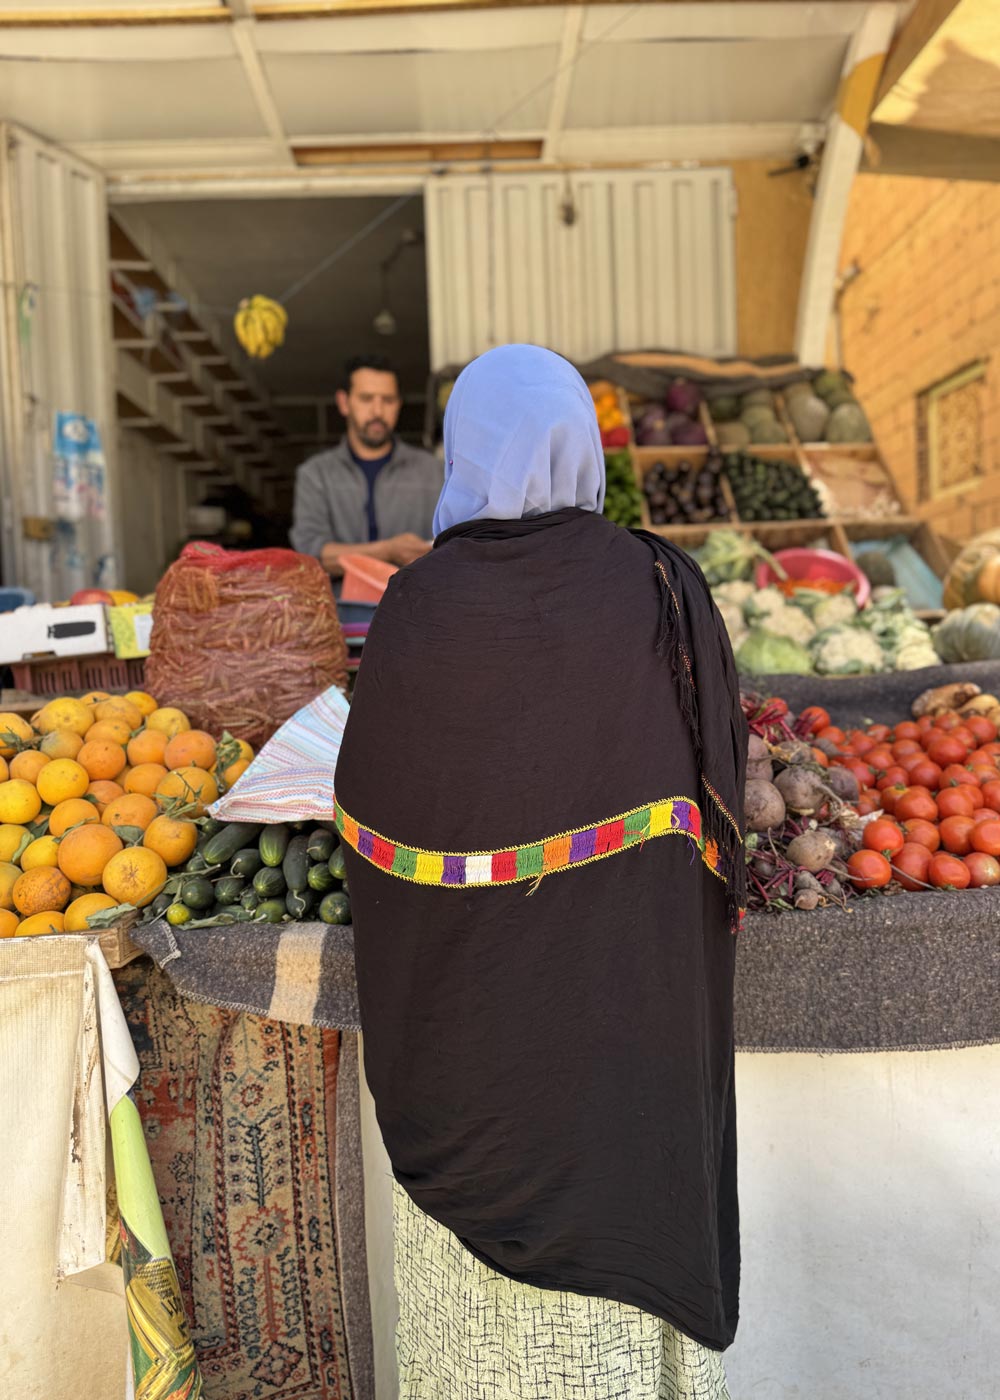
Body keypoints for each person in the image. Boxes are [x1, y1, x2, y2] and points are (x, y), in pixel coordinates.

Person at [334, 344, 746, 1400]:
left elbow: (371, 817)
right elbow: (722, 793)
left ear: (462, 454)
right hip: (630, 1066)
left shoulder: (418, 610)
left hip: (472, 1085)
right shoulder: (661, 582)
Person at [289, 354, 443, 575]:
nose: (378, 411)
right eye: (366, 398)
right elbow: (312, 555)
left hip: (415, 605)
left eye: (388, 400)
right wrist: (388, 550)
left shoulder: (432, 472)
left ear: (398, 405)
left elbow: (453, 545)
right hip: (342, 608)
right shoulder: (316, 475)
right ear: (344, 403)